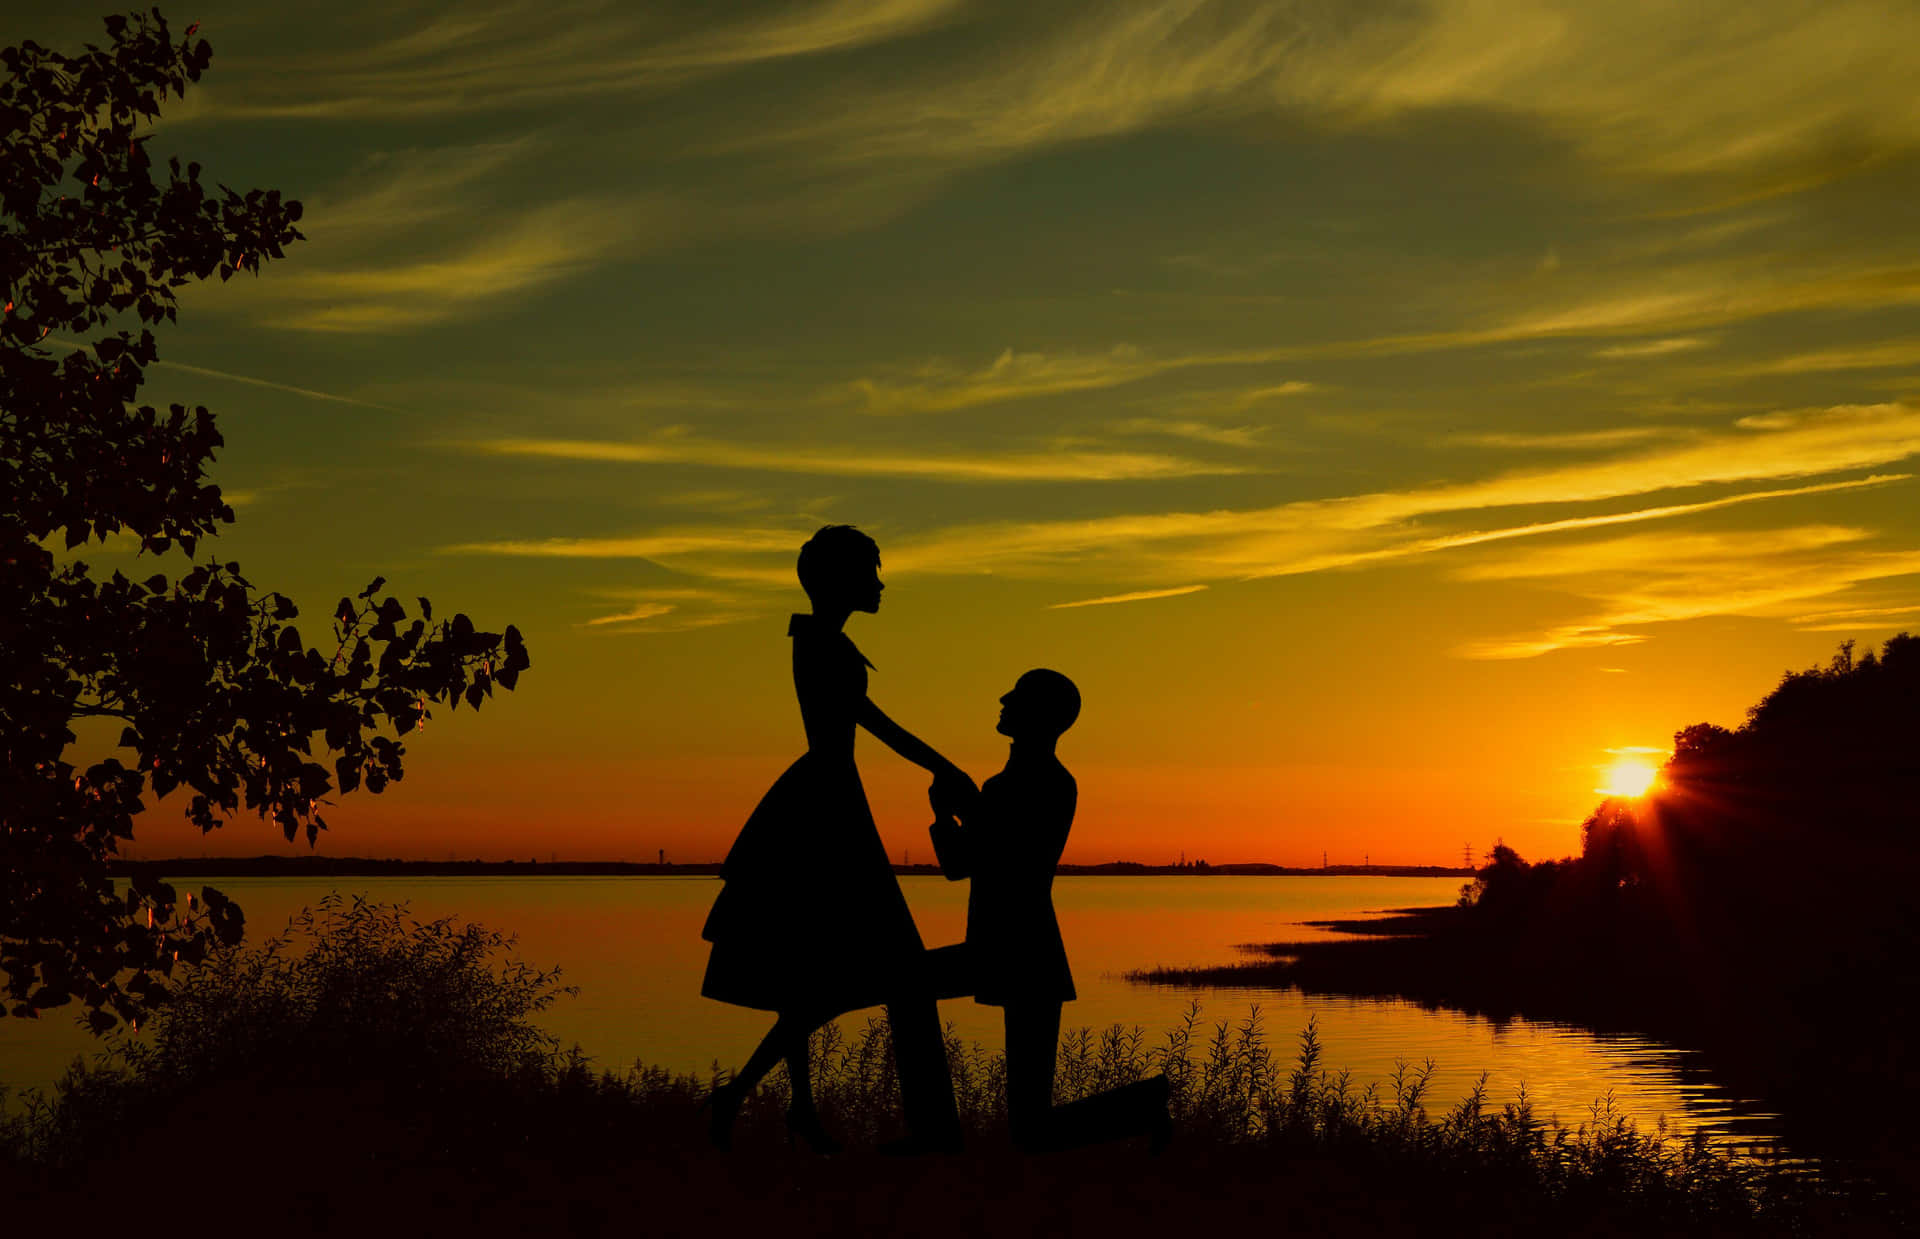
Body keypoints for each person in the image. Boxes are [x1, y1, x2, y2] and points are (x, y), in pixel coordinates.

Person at [699, 524, 973, 1153]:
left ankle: (769, 1099)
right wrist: (942, 767)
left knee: (810, 974)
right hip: (826, 806)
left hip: (824, 798)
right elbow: (871, 724)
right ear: (841, 579)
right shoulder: (822, 643)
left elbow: (867, 722)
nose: (880, 584)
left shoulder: (825, 640)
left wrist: (938, 766)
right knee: (867, 967)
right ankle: (780, 1101)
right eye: (870, 573)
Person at [927, 669, 1172, 1152]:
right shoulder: (1008, 786)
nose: (1001, 699)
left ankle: (1144, 1108)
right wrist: (949, 815)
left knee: (1029, 1125)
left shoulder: (1044, 783)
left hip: (1024, 952)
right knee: (1029, 1123)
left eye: (1015, 696)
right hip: (1007, 950)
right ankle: (1144, 1107)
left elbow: (999, 859)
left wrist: (958, 813)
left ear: (1040, 716)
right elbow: (965, 864)